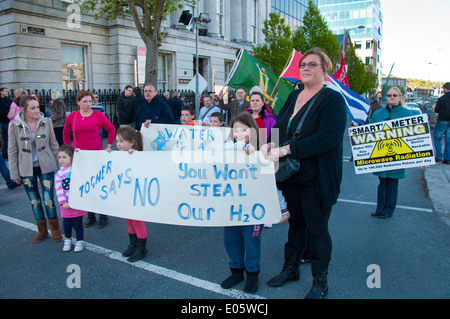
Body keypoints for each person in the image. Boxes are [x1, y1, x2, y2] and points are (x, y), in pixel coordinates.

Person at [261, 48, 347, 299]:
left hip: (318, 176)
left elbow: (327, 138)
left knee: (317, 228)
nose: (306, 68)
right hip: (291, 174)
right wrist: (270, 142)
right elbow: (279, 124)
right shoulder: (294, 94)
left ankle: (320, 283)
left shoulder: (332, 99)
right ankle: (291, 269)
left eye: (312, 64)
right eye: (303, 65)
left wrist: (286, 149)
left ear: (324, 69)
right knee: (296, 224)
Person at [218, 112, 289, 294]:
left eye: (244, 129)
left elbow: (271, 182)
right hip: (231, 208)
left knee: (251, 242)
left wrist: (282, 207)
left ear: (253, 131)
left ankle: (252, 274)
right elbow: (213, 153)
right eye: (236, 130)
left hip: (253, 210)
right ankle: (236, 271)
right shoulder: (226, 149)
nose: (239, 134)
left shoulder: (262, 153)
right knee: (231, 241)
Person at [8, 94, 63, 243]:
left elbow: (54, 144)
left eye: (37, 107)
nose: (36, 110)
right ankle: (42, 230)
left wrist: (60, 165)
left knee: (48, 199)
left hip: (46, 165)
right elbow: (12, 151)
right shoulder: (14, 125)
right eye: (32, 108)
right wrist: (14, 172)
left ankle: (55, 229)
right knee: (34, 200)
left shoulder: (46, 122)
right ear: (23, 109)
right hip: (26, 168)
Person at [63, 90, 116, 228]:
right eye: (85, 101)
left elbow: (111, 129)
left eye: (90, 101)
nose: (88, 104)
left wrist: (108, 146)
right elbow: (65, 133)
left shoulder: (98, 115)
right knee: (86, 187)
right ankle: (90, 215)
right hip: (80, 157)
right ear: (78, 102)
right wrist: (69, 149)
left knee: (98, 186)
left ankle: (103, 215)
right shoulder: (72, 117)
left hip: (96, 156)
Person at [369, 87, 417, 218]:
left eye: (395, 95)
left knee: (392, 183)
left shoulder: (406, 114)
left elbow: (415, 135)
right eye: (389, 95)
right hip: (381, 155)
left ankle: (388, 210)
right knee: (382, 183)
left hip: (397, 155)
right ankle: (380, 208)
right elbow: (369, 132)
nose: (392, 97)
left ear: (400, 97)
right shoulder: (378, 114)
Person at [109, 126, 148, 262]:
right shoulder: (119, 155)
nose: (118, 144)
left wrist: (134, 154)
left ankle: (141, 248)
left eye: (121, 141)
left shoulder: (137, 154)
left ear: (131, 142)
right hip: (125, 193)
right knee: (128, 220)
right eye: (117, 141)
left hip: (136, 195)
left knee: (137, 221)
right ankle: (133, 244)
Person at [55, 144, 87, 252]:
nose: (61, 160)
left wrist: (78, 154)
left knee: (78, 224)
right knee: (67, 224)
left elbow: (84, 165)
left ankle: (80, 241)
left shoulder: (76, 169)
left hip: (76, 204)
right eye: (59, 157)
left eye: (64, 157)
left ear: (72, 158)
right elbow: (58, 189)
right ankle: (68, 239)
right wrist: (63, 202)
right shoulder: (59, 174)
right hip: (65, 205)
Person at [433, 82, 450, 164]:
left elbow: (436, 110)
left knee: (437, 138)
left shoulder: (441, 99)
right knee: (448, 140)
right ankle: (448, 159)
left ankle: (439, 156)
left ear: (445, 89)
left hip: (442, 120)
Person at [0, 87, 12, 159]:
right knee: (4, 138)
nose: (7, 92)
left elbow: (9, 110)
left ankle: (8, 153)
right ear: (1, 92)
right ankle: (4, 153)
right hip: (2, 122)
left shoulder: (8, 100)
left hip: (7, 121)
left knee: (8, 138)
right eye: (5, 91)